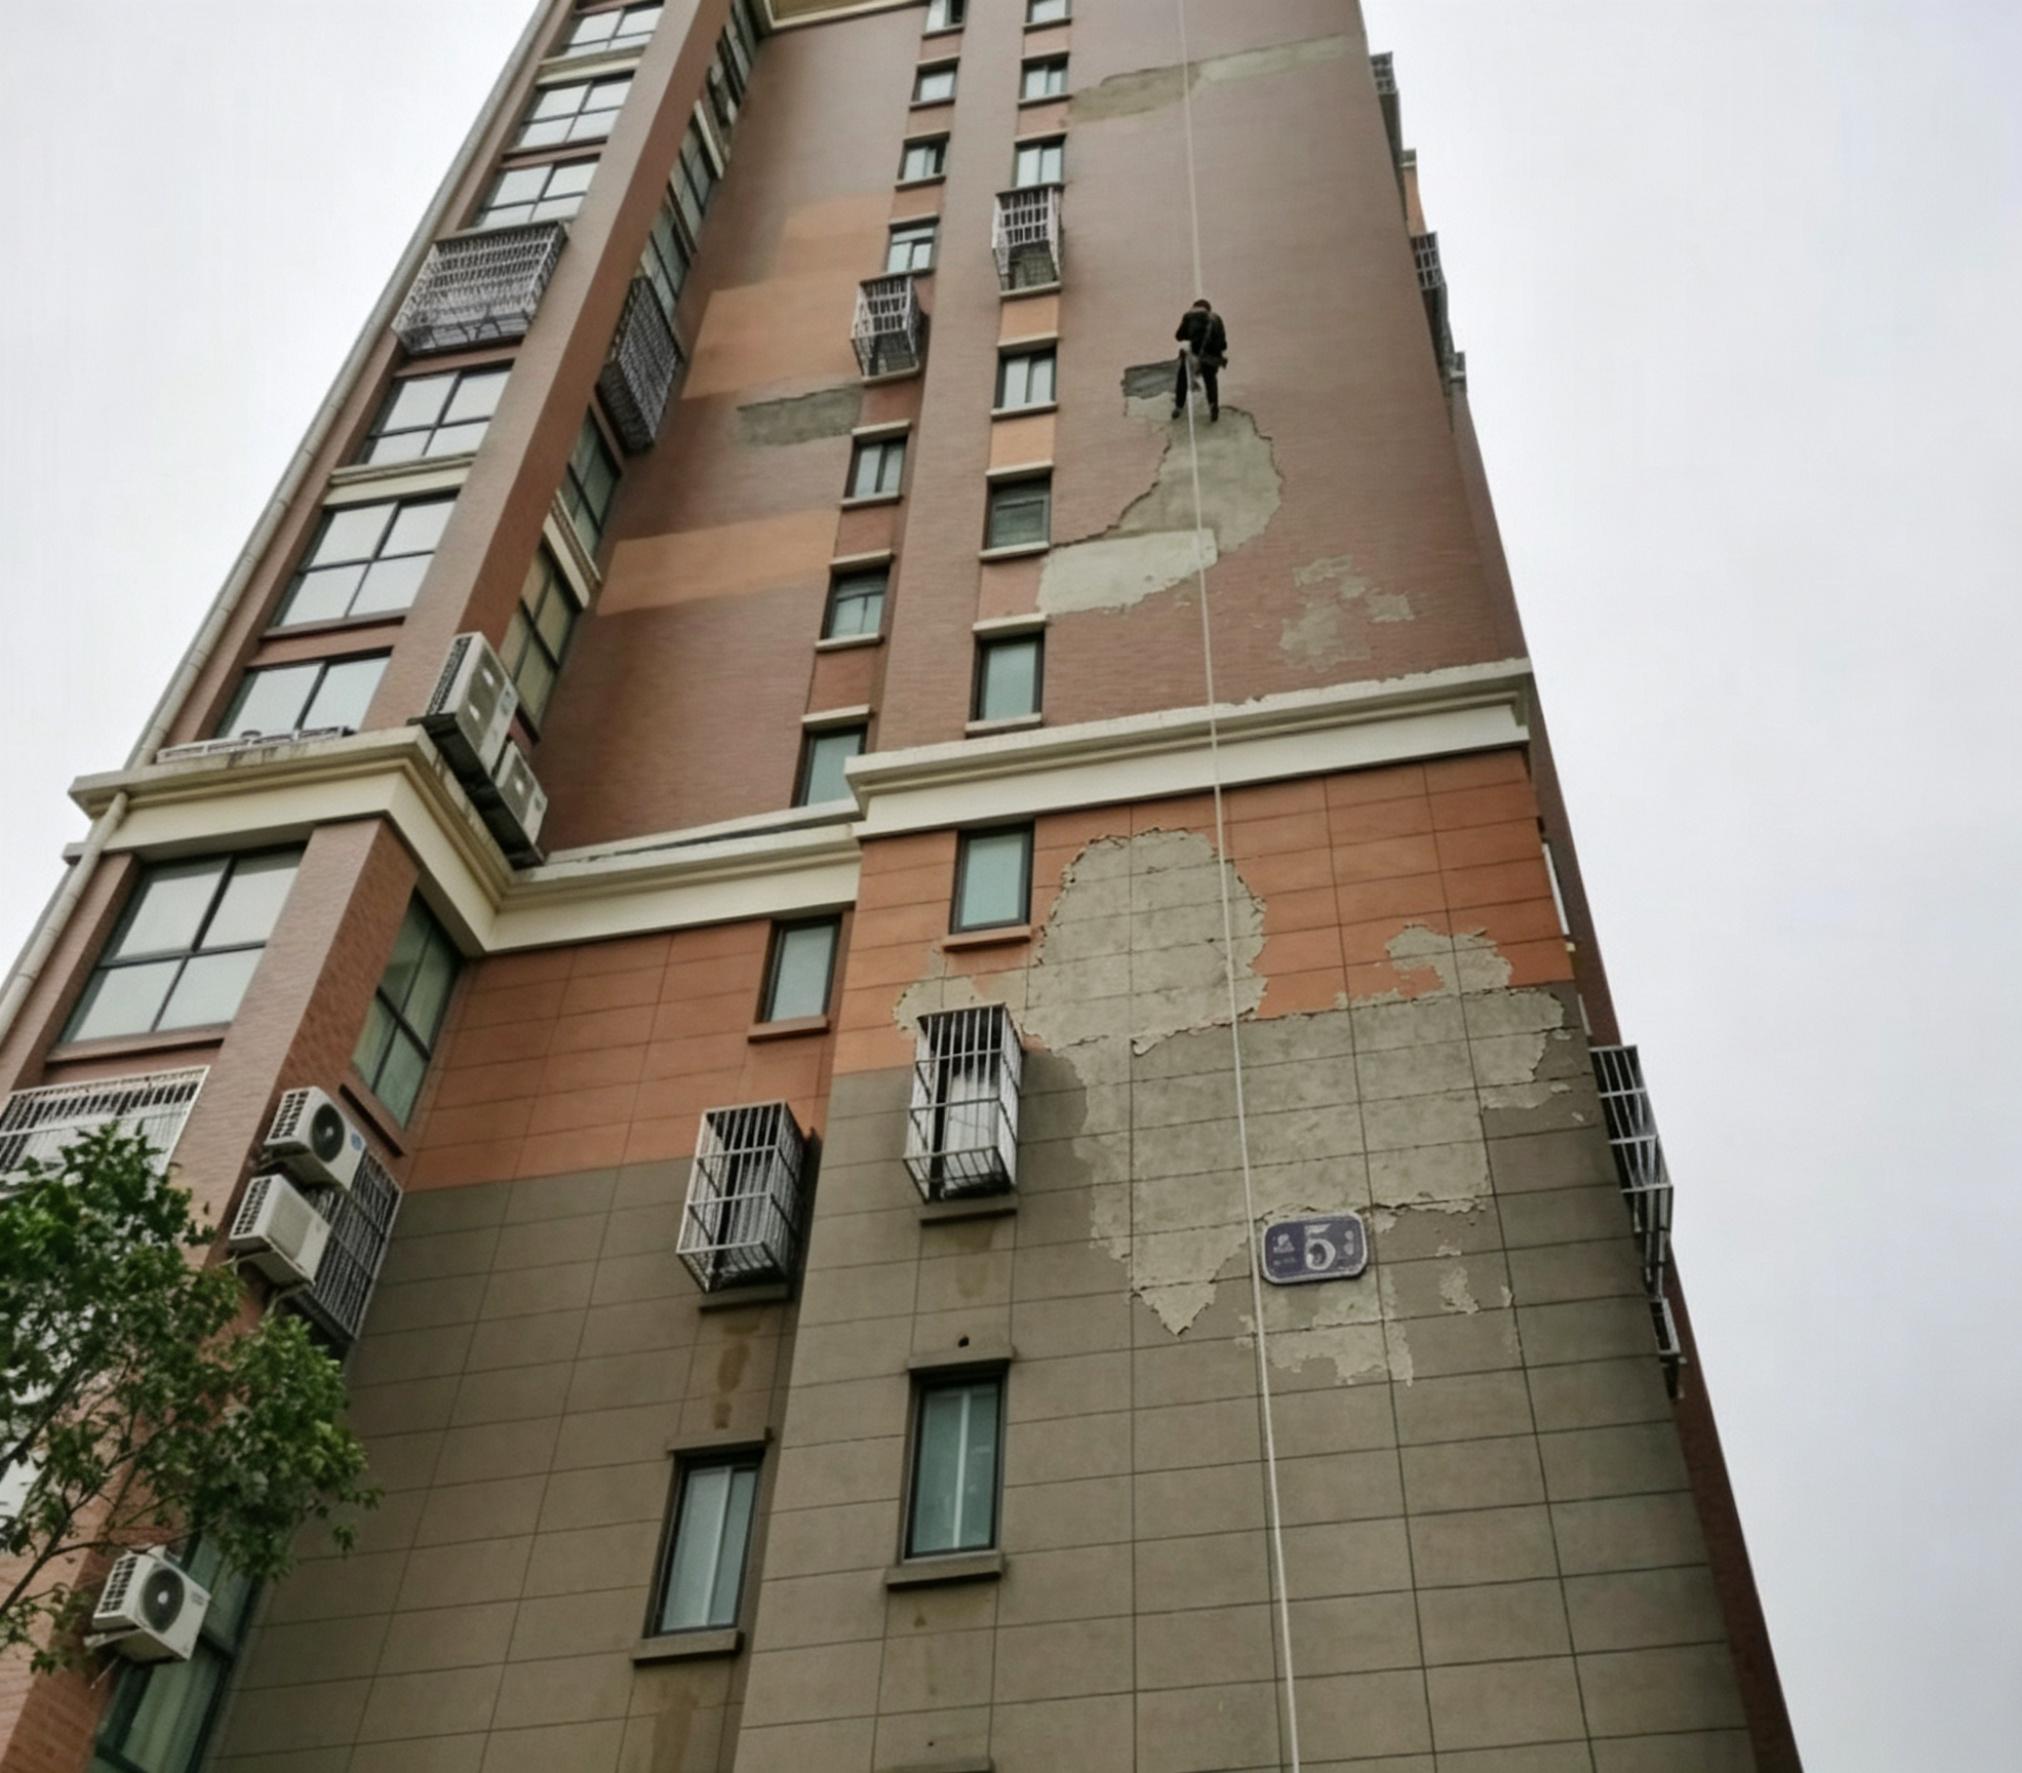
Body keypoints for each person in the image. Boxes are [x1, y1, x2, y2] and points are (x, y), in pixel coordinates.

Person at [1172, 297, 1229, 422]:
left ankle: (1178, 406)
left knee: (1183, 377)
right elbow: (1223, 343)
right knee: (1210, 381)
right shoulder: (1216, 319)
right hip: (1212, 357)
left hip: (1194, 354)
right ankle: (1213, 407)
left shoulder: (1188, 317)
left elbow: (1179, 336)